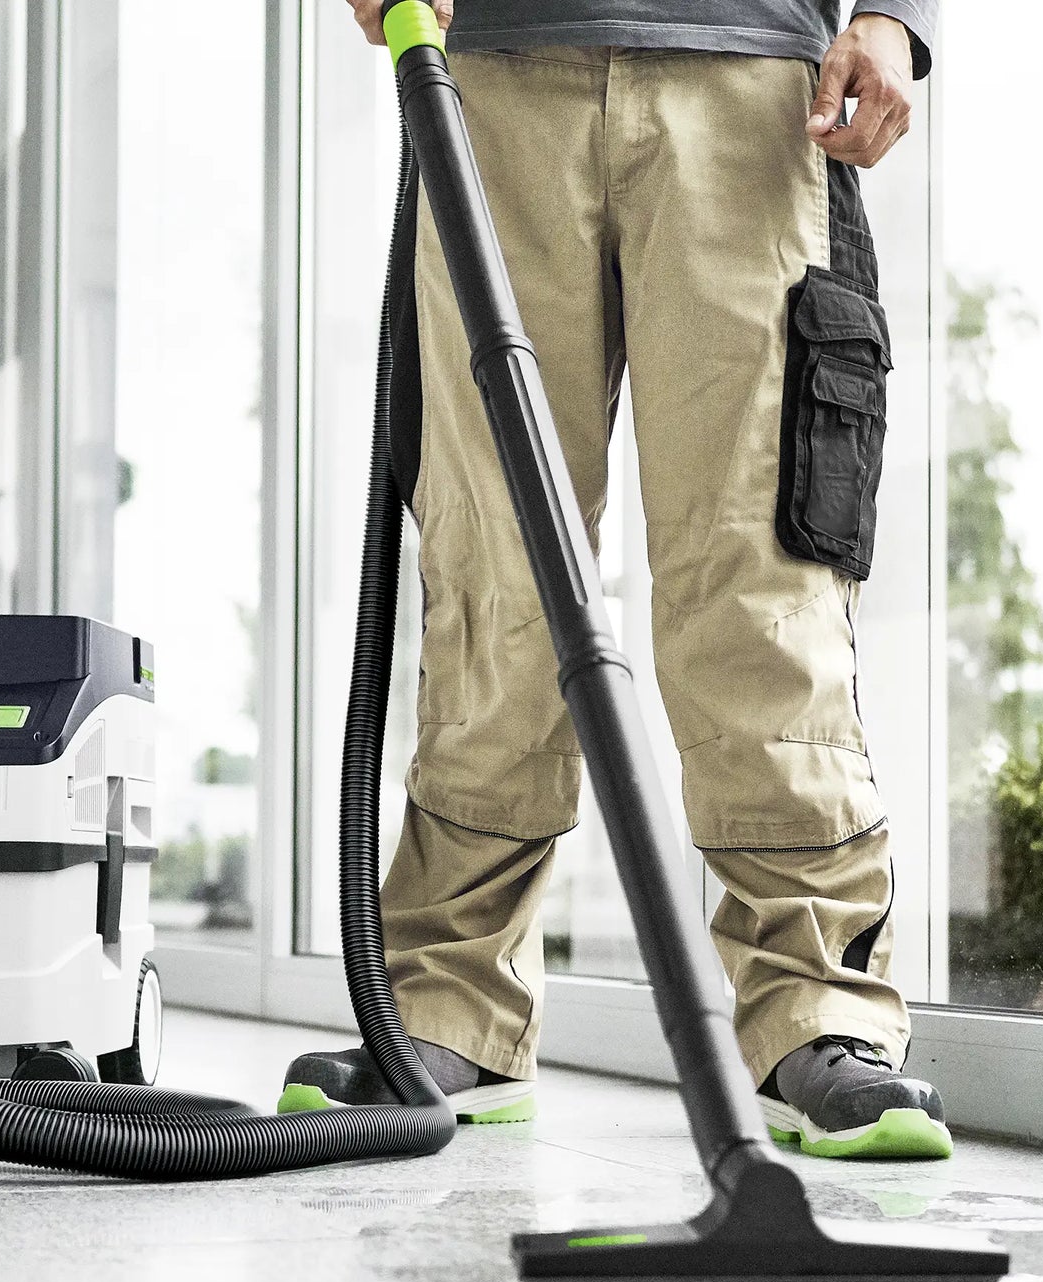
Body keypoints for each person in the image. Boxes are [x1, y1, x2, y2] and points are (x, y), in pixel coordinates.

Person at [282, 0, 952, 1160]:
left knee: (759, 574)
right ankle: (453, 1005)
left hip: (757, 83)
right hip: (492, 75)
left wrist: (894, 16)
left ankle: (819, 1010)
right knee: (495, 568)